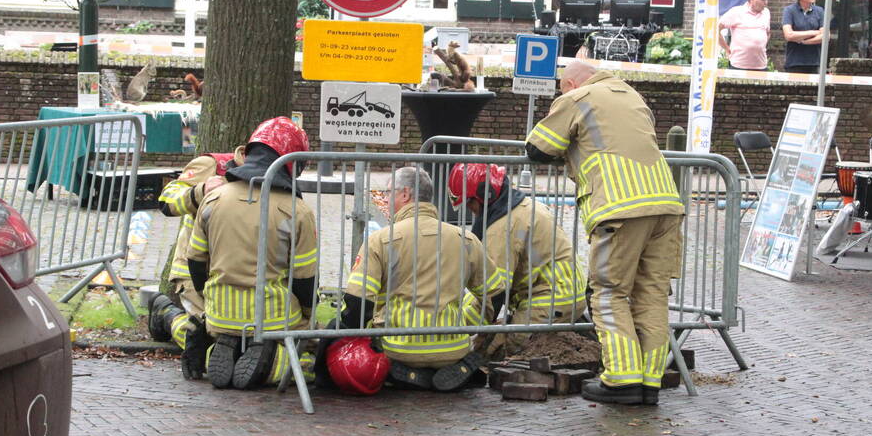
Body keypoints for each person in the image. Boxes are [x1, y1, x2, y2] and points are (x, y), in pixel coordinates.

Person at [525, 60, 685, 406]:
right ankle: (649, 381)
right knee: (652, 295)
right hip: (666, 204)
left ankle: (622, 380)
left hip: (619, 206)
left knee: (609, 293)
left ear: (568, 84)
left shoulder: (576, 98)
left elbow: (538, 148)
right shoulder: (632, 96)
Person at [338, 166, 508, 392]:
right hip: (452, 348)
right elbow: (495, 294)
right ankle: (457, 368)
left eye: (389, 193)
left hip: (397, 346)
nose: (386, 200)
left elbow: (358, 303)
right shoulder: (466, 240)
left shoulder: (380, 240)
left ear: (405, 194)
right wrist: (467, 324)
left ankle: (404, 372)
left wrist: (358, 339)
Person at [186, 117, 319, 390]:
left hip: (219, 313)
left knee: (226, 325)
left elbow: (195, 261)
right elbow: (305, 280)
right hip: (272, 316)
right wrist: (309, 313)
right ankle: (273, 358)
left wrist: (207, 300)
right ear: (291, 161)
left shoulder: (213, 199)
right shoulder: (297, 211)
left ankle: (223, 346)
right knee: (307, 347)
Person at [448, 162, 586, 358]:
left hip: (552, 299)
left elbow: (492, 293)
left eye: (470, 202)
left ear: (485, 194)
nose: (470, 210)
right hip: (560, 293)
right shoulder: (522, 206)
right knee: (490, 335)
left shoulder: (503, 228)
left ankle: (564, 336)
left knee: (495, 349)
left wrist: (455, 330)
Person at [147, 148, 244, 380]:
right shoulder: (212, 165)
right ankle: (168, 316)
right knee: (206, 335)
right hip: (192, 271)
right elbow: (167, 200)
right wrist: (201, 191)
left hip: (228, 272)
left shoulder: (271, 174)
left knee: (230, 338)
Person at [718, 0, 770, 71]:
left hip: (761, 66)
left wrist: (759, 45)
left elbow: (767, 33)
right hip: (738, 66)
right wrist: (726, 48)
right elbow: (715, 30)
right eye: (763, 0)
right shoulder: (736, 12)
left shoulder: (766, 13)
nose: (766, 3)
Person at [781, 0, 825, 73]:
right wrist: (814, 32)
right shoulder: (789, 10)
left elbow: (825, 36)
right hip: (794, 62)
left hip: (814, 62)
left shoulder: (819, 11)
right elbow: (789, 35)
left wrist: (803, 42)